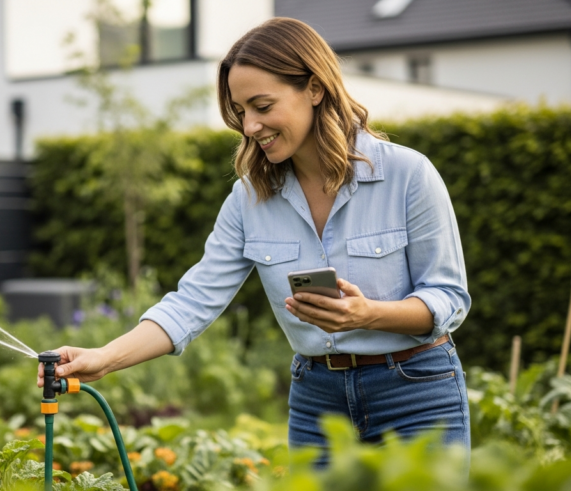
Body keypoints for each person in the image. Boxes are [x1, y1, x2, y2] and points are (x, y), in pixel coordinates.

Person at [37, 17, 471, 464]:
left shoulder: (408, 175)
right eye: (241, 111)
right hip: (318, 402)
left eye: (262, 106)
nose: (249, 126)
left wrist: (369, 315)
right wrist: (104, 359)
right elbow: (192, 302)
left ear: (315, 89)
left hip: (416, 394)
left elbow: (449, 298)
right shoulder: (250, 197)